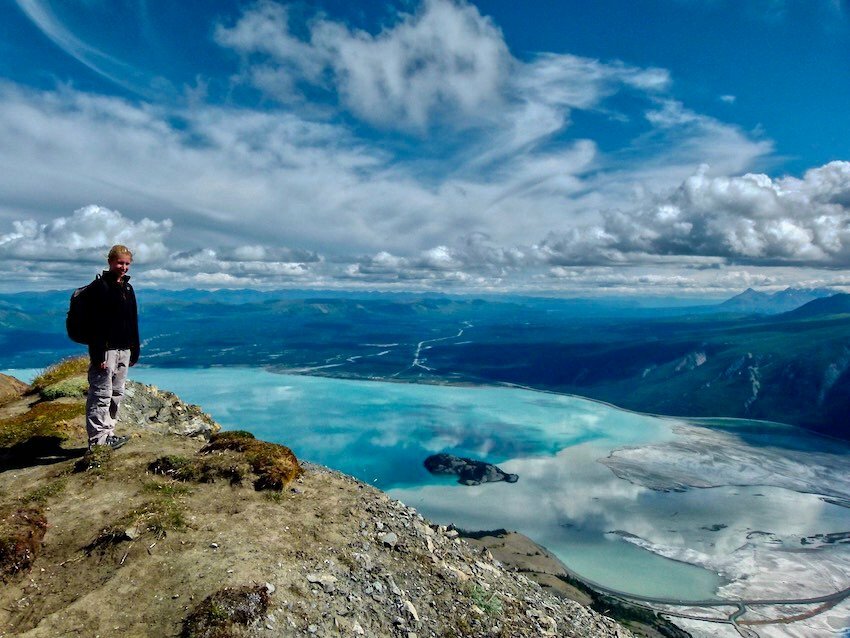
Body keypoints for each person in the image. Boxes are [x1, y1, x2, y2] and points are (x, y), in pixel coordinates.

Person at [84, 244, 140, 449]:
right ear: (110, 262)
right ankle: (98, 440)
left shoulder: (127, 288)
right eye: (119, 263)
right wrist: (97, 354)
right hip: (106, 351)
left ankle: (109, 433)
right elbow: (95, 324)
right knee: (101, 394)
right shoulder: (100, 288)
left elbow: (132, 320)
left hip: (124, 349)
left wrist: (134, 349)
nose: (123, 267)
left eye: (127, 264)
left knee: (117, 392)